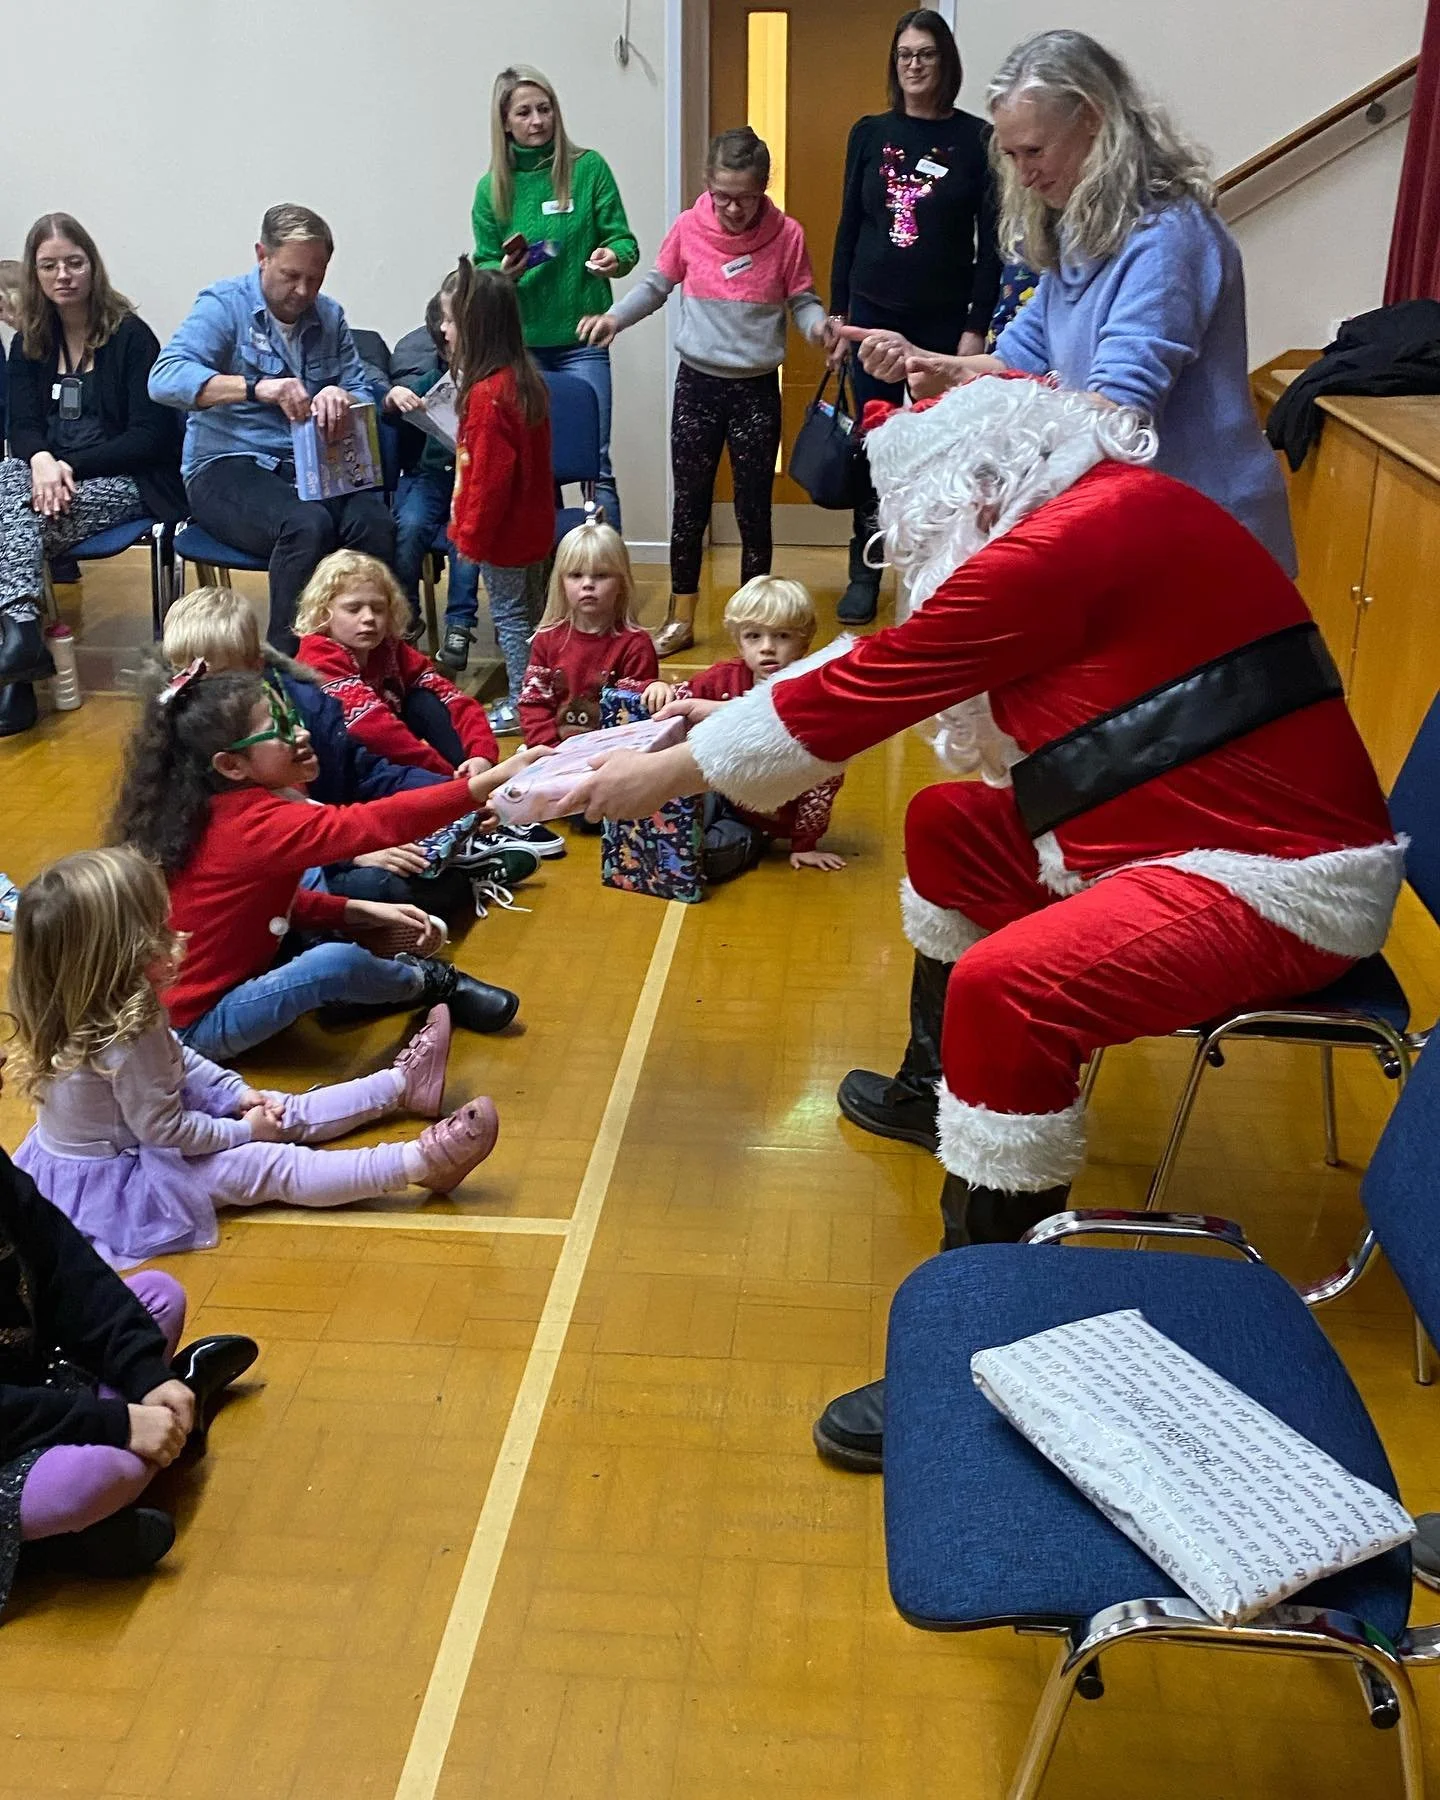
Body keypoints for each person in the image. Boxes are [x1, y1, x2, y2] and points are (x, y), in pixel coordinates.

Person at [562, 374, 1402, 1470]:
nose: (915, 550)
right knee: (952, 823)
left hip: (1280, 880)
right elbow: (902, 660)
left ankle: (993, 1347)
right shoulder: (1095, 507)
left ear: (973, 491)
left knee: (1012, 988)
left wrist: (666, 773)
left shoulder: (1069, 540)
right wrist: (722, 719)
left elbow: (889, 674)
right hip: (1168, 829)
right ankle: (934, 1093)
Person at [841, 29, 1295, 573]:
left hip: (1209, 532)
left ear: (1094, 121)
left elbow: (1114, 416)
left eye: (1034, 150)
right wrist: (930, 362)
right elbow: (1013, 361)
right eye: (1010, 156)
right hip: (1140, 523)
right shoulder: (1083, 235)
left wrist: (1000, 483)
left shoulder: (1167, 236)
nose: (1024, 174)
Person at [9, 850, 502, 1266]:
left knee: (278, 1106)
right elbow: (166, 1131)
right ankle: (417, 1163)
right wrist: (246, 1131)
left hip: (143, 1138)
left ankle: (398, 1086)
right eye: (159, 926)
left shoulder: (112, 1000)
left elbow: (177, 1055)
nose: (175, 930)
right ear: (125, 952)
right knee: (269, 1164)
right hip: (125, 1181)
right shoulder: (123, 1037)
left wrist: (236, 1093)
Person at [108, 665, 539, 1057]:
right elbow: (374, 823)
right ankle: (430, 982)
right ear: (231, 765)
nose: (300, 733)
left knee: (320, 876)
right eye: (278, 729)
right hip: (194, 1026)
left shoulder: (223, 805)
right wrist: (483, 784)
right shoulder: (252, 823)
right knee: (333, 963)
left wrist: (354, 909)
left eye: (291, 717)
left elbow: (263, 904)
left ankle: (356, 988)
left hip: (244, 966)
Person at [0, 1077, 257, 1594]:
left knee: (159, 1295)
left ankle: (165, 1416)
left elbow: (63, 1263)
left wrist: (141, 1375)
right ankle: (59, 1539)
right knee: (93, 1477)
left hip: (34, 1384)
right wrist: (115, 1423)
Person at [580, 129, 831, 659]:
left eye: (745, 197)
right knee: (689, 505)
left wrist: (818, 329)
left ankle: (756, 622)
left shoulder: (787, 236)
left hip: (756, 390)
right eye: (722, 196)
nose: (734, 209)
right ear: (706, 186)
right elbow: (655, 285)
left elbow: (803, 300)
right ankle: (681, 614)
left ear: (764, 187)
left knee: (752, 507)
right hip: (697, 384)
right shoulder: (688, 228)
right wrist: (614, 319)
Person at [158, 586, 547, 911]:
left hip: (332, 829)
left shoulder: (304, 700)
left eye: (223, 678)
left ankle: (459, 853)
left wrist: (452, 791)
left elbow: (364, 770)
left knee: (416, 851)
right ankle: (460, 870)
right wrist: (353, 853)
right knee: (392, 890)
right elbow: (280, 843)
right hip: (294, 867)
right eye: (193, 679)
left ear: (256, 665)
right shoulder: (181, 751)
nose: (207, 695)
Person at [148, 204, 418, 649]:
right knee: (305, 524)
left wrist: (343, 395)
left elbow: (362, 387)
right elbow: (165, 378)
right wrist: (257, 389)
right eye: (291, 275)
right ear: (262, 256)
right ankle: (289, 667)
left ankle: (378, 660)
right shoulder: (224, 306)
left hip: (309, 468)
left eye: (315, 278)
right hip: (225, 465)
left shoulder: (329, 316)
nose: (302, 290)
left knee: (375, 522)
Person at [829, 10, 1002, 625]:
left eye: (925, 53)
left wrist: (973, 331)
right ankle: (865, 566)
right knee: (874, 444)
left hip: (944, 319)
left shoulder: (978, 140)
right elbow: (850, 227)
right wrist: (837, 315)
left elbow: (993, 246)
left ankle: (938, 570)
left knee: (944, 446)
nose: (914, 64)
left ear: (945, 62)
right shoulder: (870, 133)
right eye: (904, 54)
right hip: (872, 312)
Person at [1, 214, 186, 737]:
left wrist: (65, 467)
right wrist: (40, 461)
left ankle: (18, 666)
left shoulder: (130, 337)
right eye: (49, 265)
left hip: (130, 482)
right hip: (44, 485)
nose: (63, 275)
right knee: (14, 509)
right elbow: (24, 427)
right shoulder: (29, 342)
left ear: (93, 266)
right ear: (35, 275)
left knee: (7, 511)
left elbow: (151, 438)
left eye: (74, 263)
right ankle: (18, 647)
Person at [472, 65, 638, 531]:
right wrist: (501, 272)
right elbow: (483, 266)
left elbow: (625, 242)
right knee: (535, 472)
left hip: (582, 341)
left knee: (595, 468)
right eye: (523, 112)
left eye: (544, 109)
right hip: (522, 350)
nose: (537, 121)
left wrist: (612, 256)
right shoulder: (491, 189)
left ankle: (609, 591)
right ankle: (548, 589)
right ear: (505, 121)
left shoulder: (588, 169)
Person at [641, 576, 845, 878]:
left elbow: (824, 780)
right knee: (667, 823)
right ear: (738, 640)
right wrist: (656, 686)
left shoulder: (809, 694)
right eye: (753, 636)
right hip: (711, 788)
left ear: (804, 640)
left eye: (782, 636)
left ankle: (739, 845)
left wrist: (804, 845)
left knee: (707, 857)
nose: (767, 648)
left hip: (757, 815)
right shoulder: (725, 676)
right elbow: (676, 698)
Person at [442, 259, 555, 719]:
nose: (443, 330)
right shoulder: (523, 380)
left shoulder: (488, 396)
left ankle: (522, 704)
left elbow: (487, 483)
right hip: (532, 529)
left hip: (505, 536)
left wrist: (471, 539)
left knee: (511, 619)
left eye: (450, 320)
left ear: (476, 327)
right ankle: (541, 694)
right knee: (531, 617)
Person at [294, 550, 501, 777]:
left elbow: (454, 699)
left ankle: (474, 776)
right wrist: (446, 778)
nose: (369, 618)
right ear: (324, 612)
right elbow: (374, 730)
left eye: (378, 608)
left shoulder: (389, 647)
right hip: (339, 769)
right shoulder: (318, 654)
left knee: (423, 700)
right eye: (353, 609)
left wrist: (481, 755)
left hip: (386, 756)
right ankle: (465, 787)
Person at [388, 290, 485, 663]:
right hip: (430, 476)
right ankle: (407, 615)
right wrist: (396, 396)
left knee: (465, 538)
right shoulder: (433, 378)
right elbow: (394, 402)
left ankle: (459, 624)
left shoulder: (491, 382)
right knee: (409, 526)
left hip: (473, 479)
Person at [518, 521, 657, 746]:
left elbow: (635, 718)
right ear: (561, 582)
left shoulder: (635, 645)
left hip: (611, 758)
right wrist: (550, 751)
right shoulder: (547, 639)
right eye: (575, 575)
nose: (588, 585)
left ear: (622, 583)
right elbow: (534, 705)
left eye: (601, 575)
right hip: (551, 752)